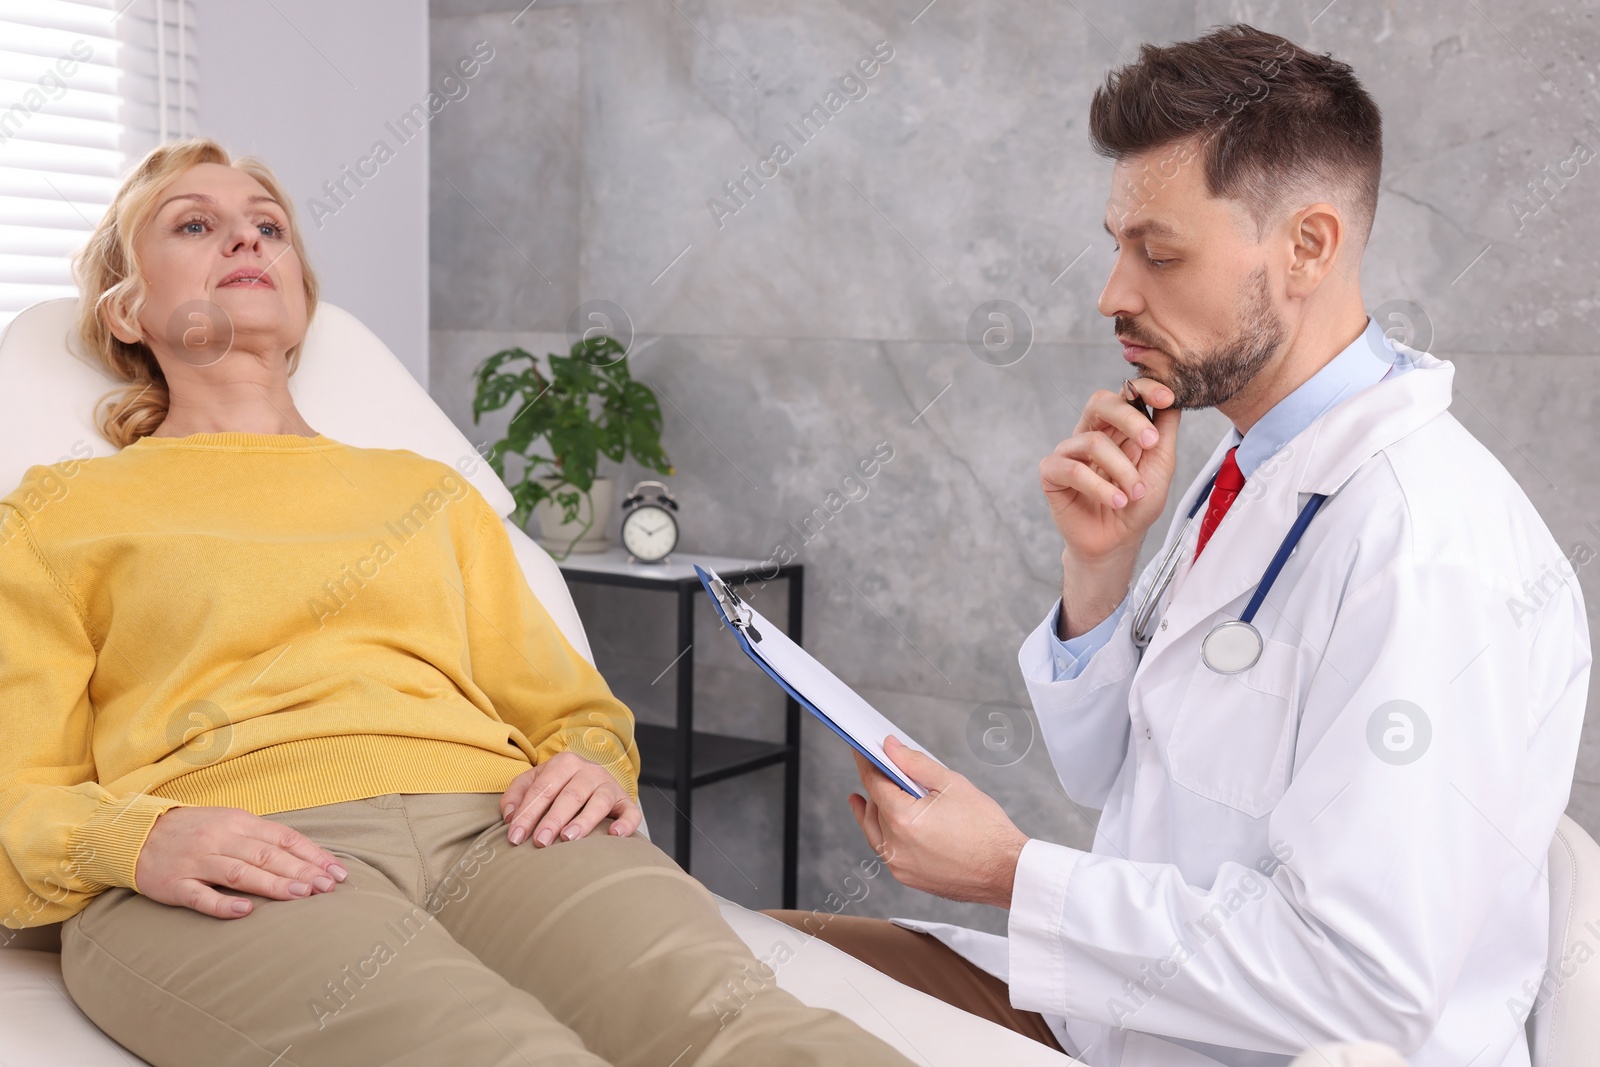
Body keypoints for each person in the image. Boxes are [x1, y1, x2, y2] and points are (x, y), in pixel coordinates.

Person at [765, 23, 1589, 1067]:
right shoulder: (1251, 467)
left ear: (1307, 246)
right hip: (1127, 1019)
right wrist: (1101, 564)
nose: (1112, 292)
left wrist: (1013, 873)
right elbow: (1112, 772)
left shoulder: (1427, 550)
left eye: (1157, 253)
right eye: (1117, 245)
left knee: (715, 1015)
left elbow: (1364, 989)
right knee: (722, 953)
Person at [0, 137, 917, 1067]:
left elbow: (571, 711)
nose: (245, 240)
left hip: (504, 827)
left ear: (302, 298)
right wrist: (132, 840)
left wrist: (592, 759)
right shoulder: (59, 516)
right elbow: (15, 787)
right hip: (237, 855)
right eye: (196, 224)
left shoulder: (427, 495)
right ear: (125, 310)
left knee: (756, 1033)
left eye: (268, 226)